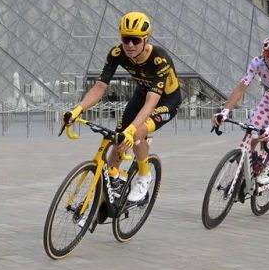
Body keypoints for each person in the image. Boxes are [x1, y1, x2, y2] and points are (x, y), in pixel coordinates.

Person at [63, 12, 183, 202]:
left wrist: (133, 129)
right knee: (118, 143)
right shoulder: (117, 53)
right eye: (126, 39)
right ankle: (108, 191)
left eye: (135, 40)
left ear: (146, 39)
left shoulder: (160, 59)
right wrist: (77, 110)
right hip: (141, 95)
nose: (130, 45)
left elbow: (152, 102)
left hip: (166, 101)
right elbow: (100, 87)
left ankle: (144, 176)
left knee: (135, 133)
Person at [215, 35, 269, 186]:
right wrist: (225, 111)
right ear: (264, 53)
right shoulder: (256, 63)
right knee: (251, 136)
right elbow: (242, 86)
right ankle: (246, 173)